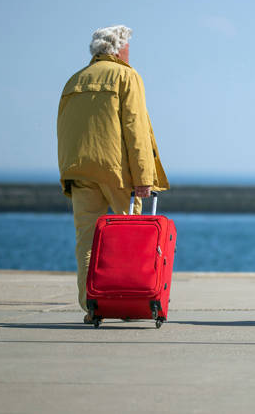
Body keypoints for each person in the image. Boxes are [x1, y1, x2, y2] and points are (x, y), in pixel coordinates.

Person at [57, 25, 169, 323]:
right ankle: (126, 304)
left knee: (86, 242)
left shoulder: (74, 80)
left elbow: (64, 130)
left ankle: (91, 306)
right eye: (128, 46)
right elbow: (135, 129)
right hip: (118, 174)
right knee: (128, 238)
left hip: (80, 171)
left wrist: (67, 174)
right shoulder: (126, 76)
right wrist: (144, 177)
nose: (130, 52)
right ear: (119, 49)